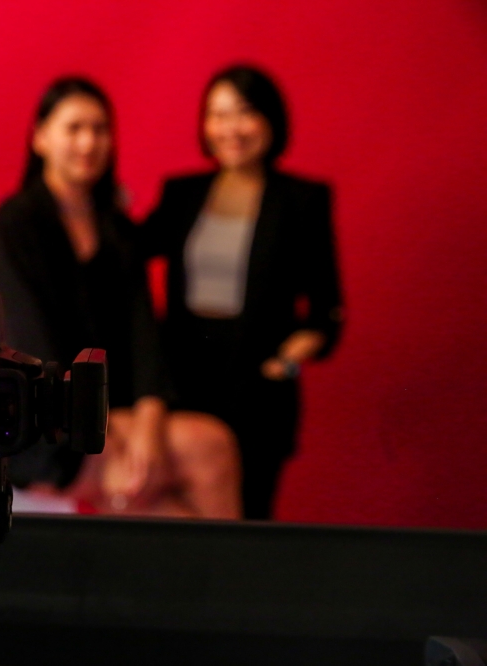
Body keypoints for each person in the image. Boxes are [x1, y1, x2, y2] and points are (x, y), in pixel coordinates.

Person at [0, 76, 241, 518]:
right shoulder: (15, 226)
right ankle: (239, 584)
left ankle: (235, 583)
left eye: (100, 129)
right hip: (50, 424)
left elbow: (144, 332)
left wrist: (150, 421)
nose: (89, 142)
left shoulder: (115, 226)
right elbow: (35, 348)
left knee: (210, 457)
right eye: (74, 128)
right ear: (41, 137)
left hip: (116, 412)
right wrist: (115, 436)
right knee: (196, 470)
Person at [140, 65, 344, 519]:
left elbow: (326, 310)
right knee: (180, 519)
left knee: (246, 524)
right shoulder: (182, 194)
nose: (230, 129)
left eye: (244, 113)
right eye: (217, 115)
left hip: (258, 389)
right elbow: (125, 253)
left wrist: (286, 362)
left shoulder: (302, 201)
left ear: (271, 120)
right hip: (186, 381)